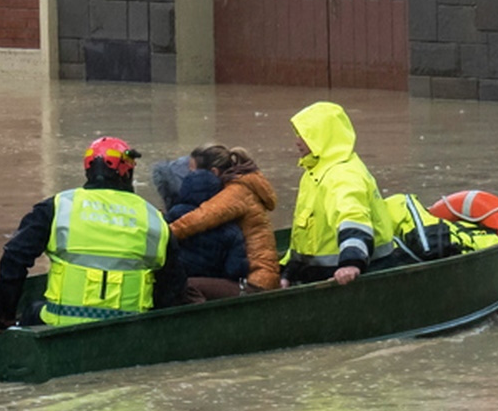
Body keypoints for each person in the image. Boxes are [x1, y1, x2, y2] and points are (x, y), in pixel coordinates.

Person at [0, 136, 186, 328]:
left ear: (87, 170)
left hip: (61, 322)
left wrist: (5, 313)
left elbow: (14, 256)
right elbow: (173, 282)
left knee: (32, 310)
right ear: (127, 172)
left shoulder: (58, 206)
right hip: (130, 328)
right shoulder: (153, 218)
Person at [281, 101, 395, 286]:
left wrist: (351, 263)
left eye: (304, 134)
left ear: (321, 137)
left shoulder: (343, 175)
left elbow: (353, 217)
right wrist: (289, 271)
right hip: (322, 276)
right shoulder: (314, 173)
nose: (297, 141)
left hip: (355, 277)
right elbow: (305, 237)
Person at [167, 144, 280, 297]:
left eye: (193, 172)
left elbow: (202, 217)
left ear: (213, 172)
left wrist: (165, 233)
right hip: (249, 276)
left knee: (186, 286)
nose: (189, 176)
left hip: (255, 281)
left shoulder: (236, 191)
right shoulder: (236, 186)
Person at [166, 166, 250, 290]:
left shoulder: (172, 217)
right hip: (210, 288)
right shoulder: (231, 231)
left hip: (176, 286)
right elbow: (235, 271)